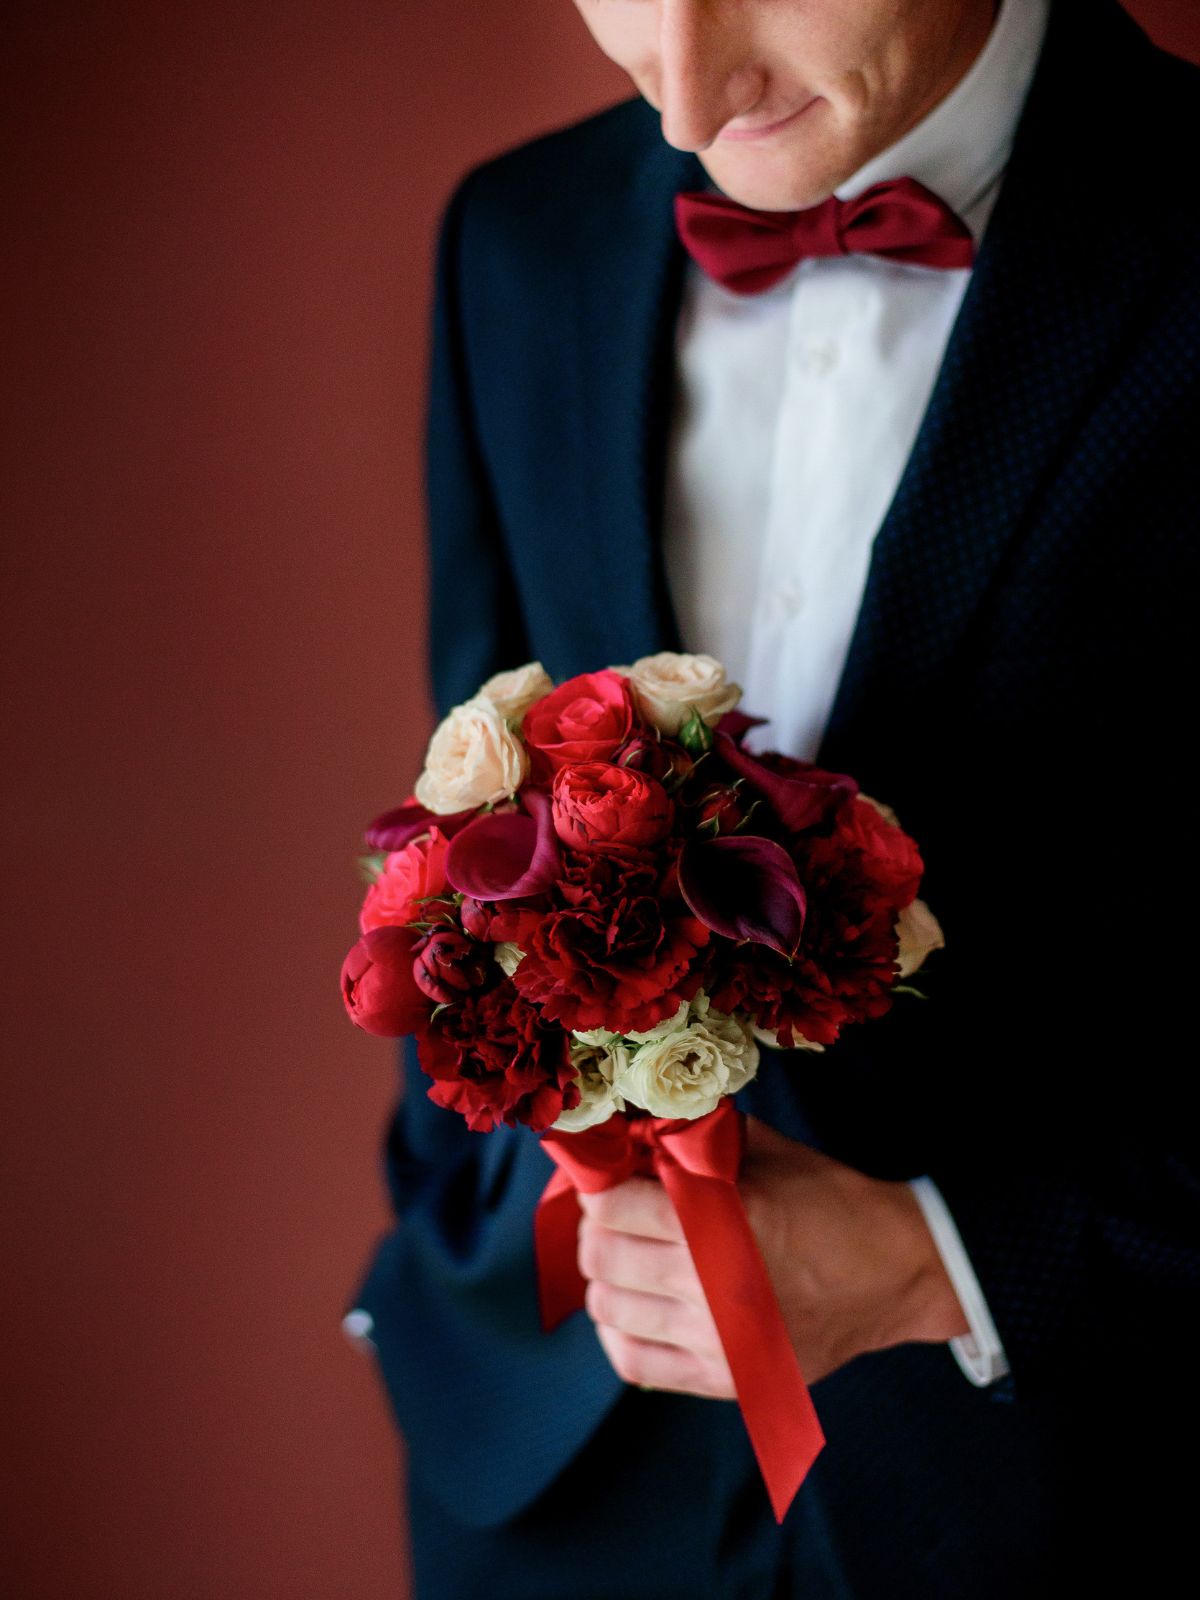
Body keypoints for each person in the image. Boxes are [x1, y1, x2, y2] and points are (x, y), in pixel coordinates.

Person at [344, 0, 1200, 1593]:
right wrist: (455, 1212)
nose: (683, 100)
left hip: (1080, 1475)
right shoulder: (517, 241)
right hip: (558, 1463)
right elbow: (469, 781)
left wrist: (947, 1264)